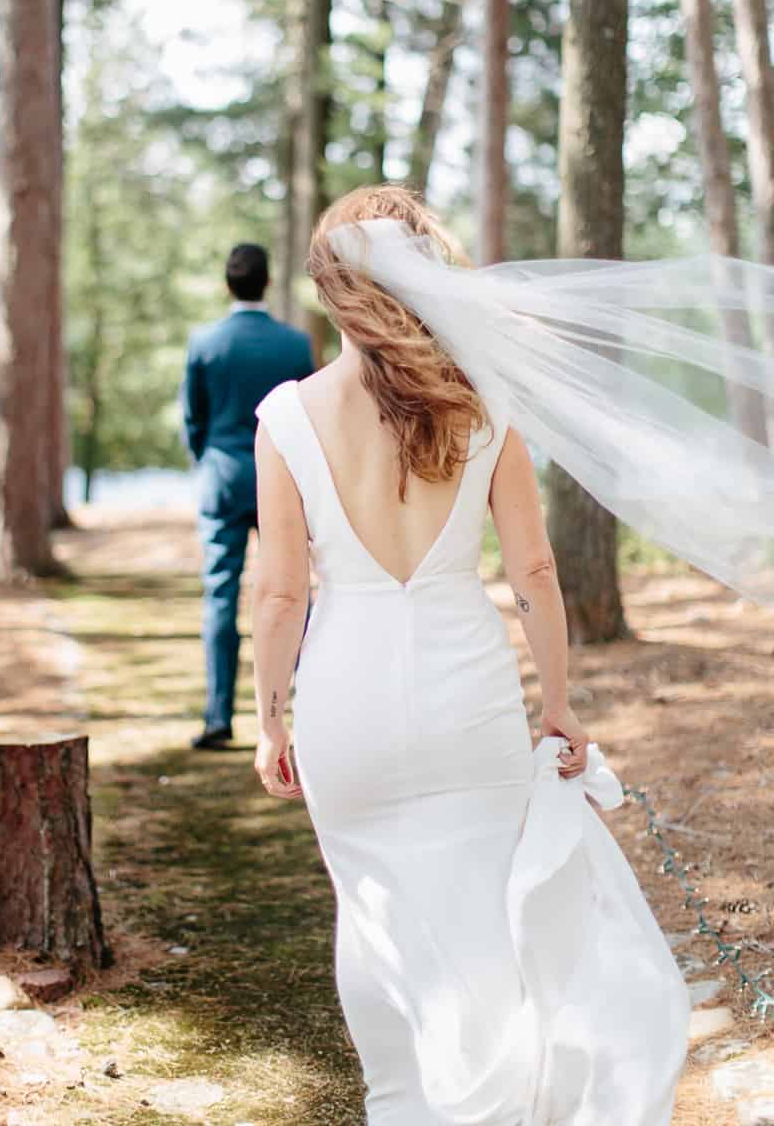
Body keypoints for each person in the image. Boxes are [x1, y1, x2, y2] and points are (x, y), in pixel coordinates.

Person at [250, 185, 688, 1121]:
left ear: (331, 287)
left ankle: (402, 1104)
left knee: (371, 909)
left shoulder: (285, 417)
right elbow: (534, 570)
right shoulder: (483, 404)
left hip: (346, 706)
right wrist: (559, 705)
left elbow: (282, 595)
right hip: (470, 700)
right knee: (486, 924)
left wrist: (268, 717)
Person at [180, 243, 313, 750]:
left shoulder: (205, 343)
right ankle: (310, 703)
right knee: (293, 590)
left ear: (227, 284)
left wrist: (210, 459)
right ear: (268, 282)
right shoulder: (295, 345)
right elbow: (307, 415)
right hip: (280, 478)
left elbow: (193, 419)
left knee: (220, 592)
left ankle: (218, 717)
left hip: (222, 477)